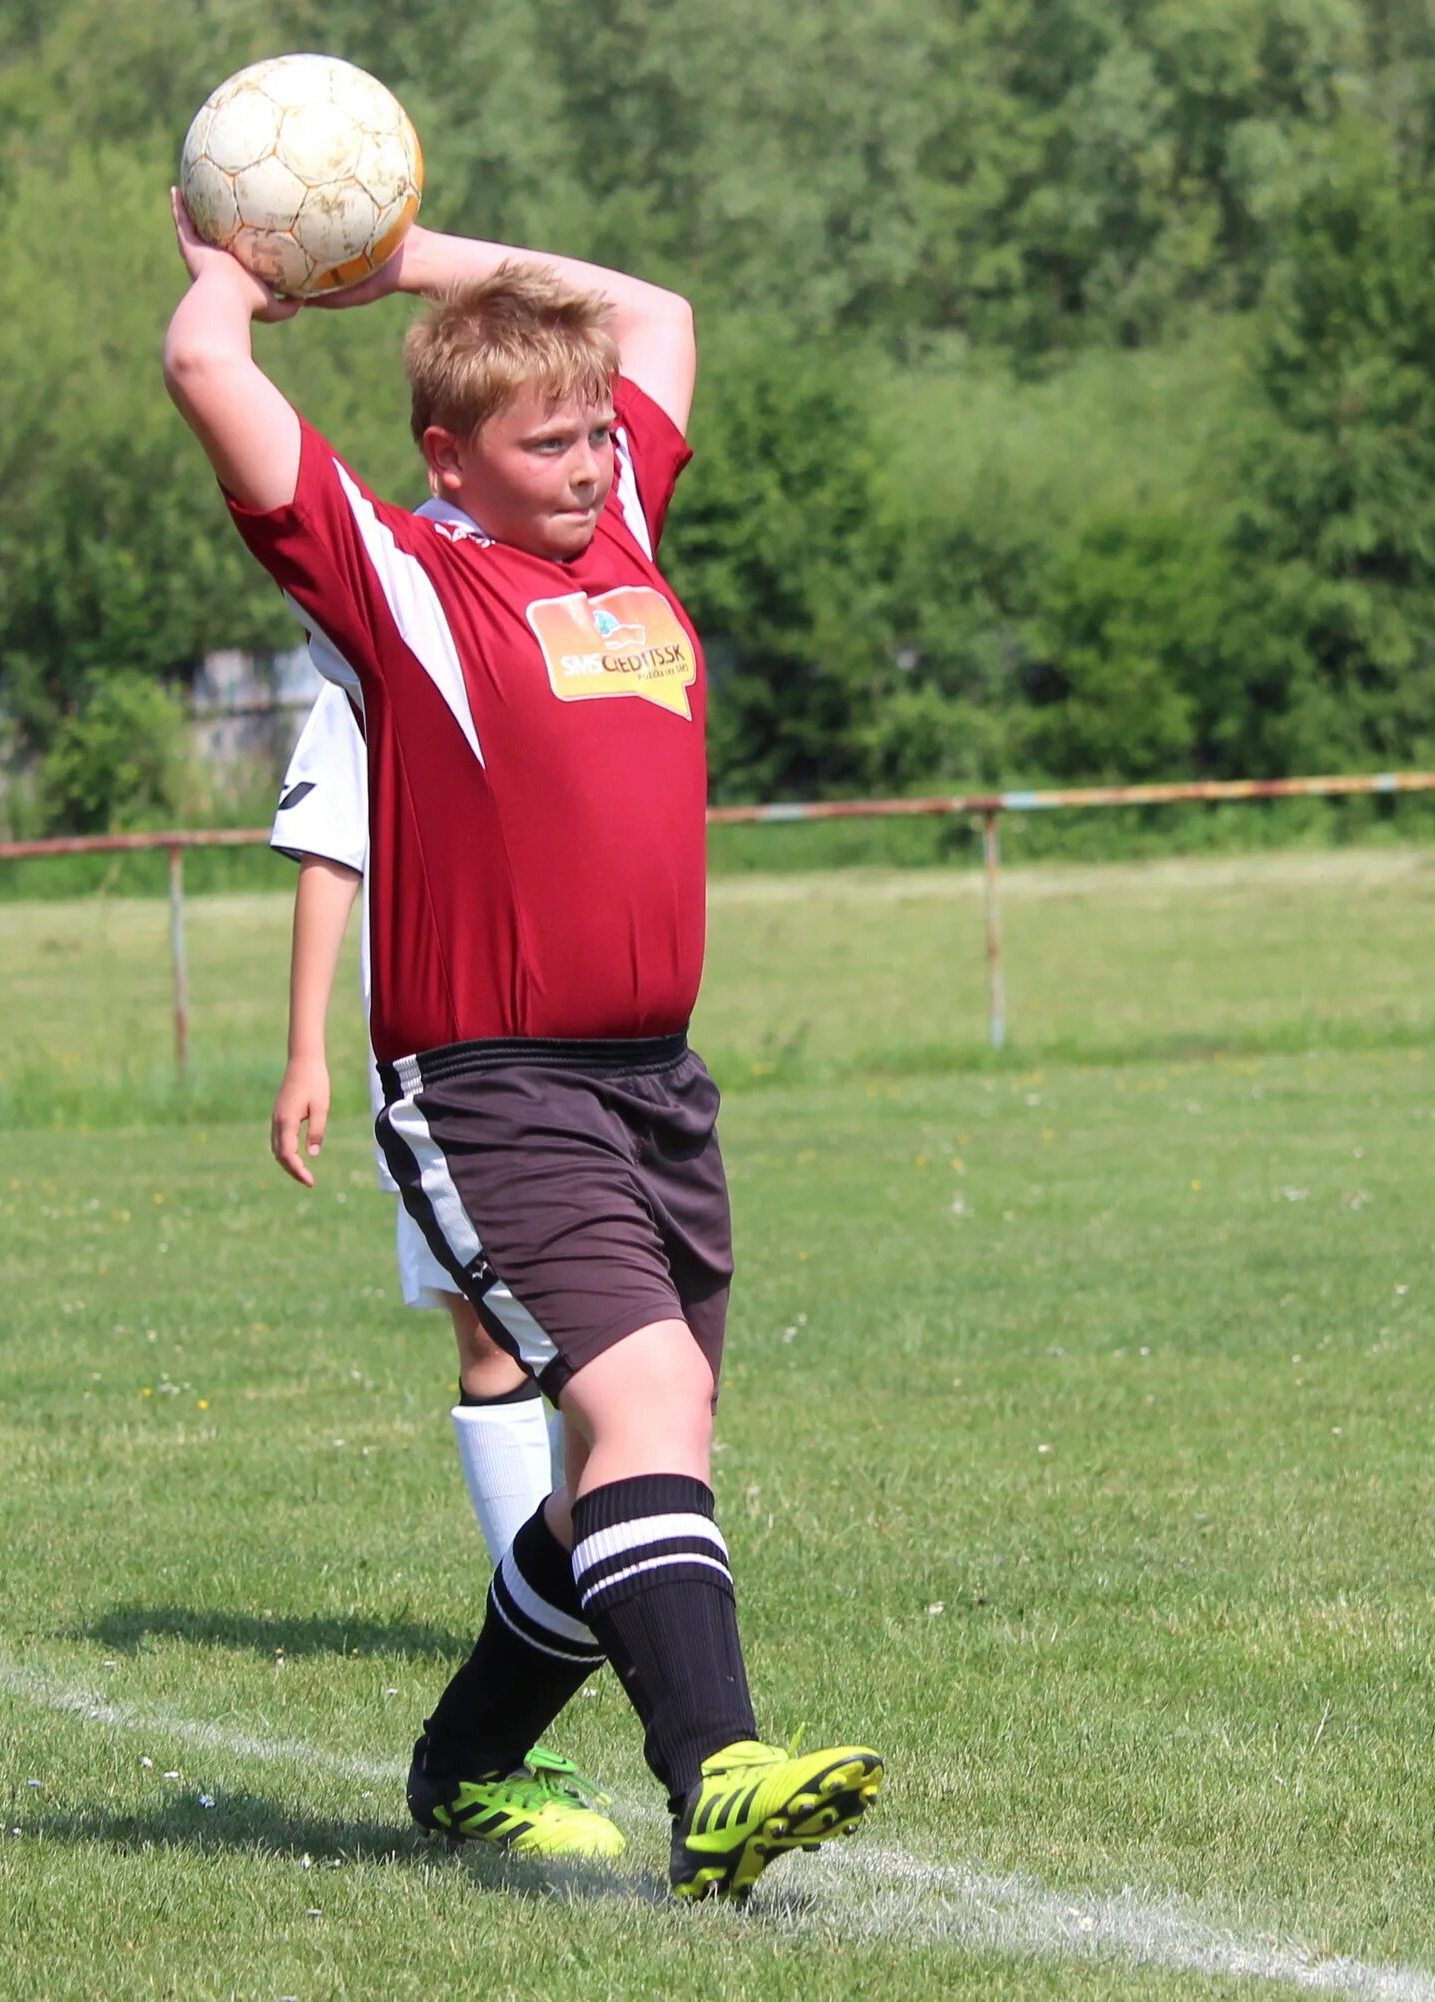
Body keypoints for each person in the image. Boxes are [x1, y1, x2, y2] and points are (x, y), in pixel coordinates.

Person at [164, 192, 882, 1900]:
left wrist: (396, 253)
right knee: (644, 1403)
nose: (584, 457)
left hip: (655, 1082)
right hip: (495, 1082)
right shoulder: (406, 582)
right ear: (448, 456)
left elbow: (658, 305)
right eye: (544, 439)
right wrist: (242, 268)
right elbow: (207, 364)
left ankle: (467, 1761)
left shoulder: (624, 544)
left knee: (637, 1452)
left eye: (591, 432)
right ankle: (719, 1768)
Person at [266, 681, 566, 1565]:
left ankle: (614, 1572)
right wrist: (304, 1051)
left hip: (591, 1037)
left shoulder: (574, 629)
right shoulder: (371, 647)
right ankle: (535, 1602)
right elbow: (331, 849)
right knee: (487, 1327)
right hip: (446, 1049)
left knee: (621, 1333)